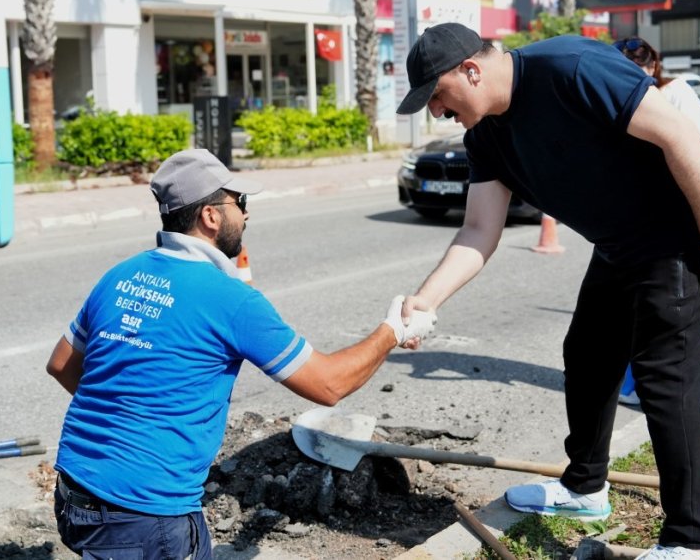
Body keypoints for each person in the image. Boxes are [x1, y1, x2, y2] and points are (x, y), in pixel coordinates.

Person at [395, 23, 700, 560]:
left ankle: (690, 542)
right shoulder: (485, 137)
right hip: (619, 245)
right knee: (587, 356)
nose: (437, 113)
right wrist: (426, 299)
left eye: (438, 97)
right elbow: (478, 230)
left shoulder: (571, 67)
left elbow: (678, 136)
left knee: (664, 377)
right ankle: (584, 489)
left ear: (470, 71)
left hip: (682, 235)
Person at [46, 148, 436, 559]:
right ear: (210, 217)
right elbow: (329, 384)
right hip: (145, 515)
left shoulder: (120, 275)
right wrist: (394, 330)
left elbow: (60, 363)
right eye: (240, 203)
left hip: (74, 494)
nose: (246, 215)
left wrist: (129, 416)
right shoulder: (231, 300)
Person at [614, 36, 700, 406]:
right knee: (638, 308)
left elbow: (699, 149)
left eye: (638, 66)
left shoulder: (675, 93)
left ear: (652, 67)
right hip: (640, 217)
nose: (631, 74)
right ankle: (635, 386)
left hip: (677, 215)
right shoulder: (619, 96)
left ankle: (658, 392)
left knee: (667, 313)